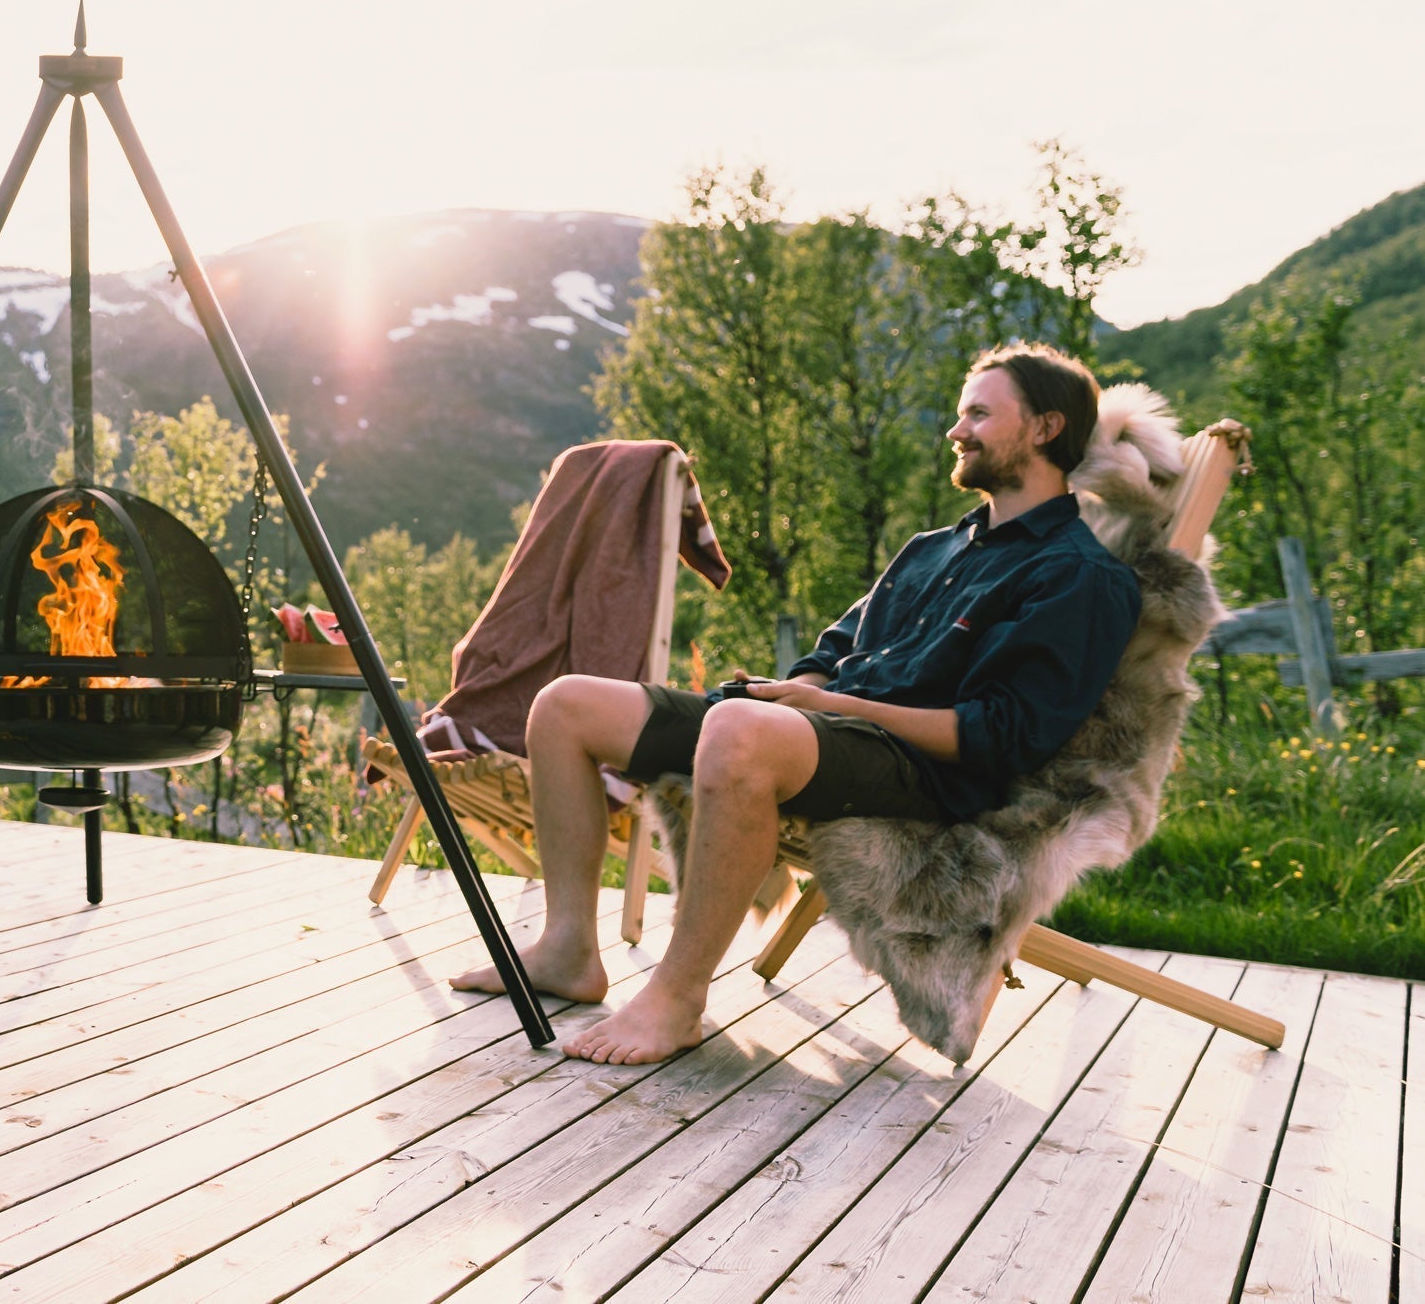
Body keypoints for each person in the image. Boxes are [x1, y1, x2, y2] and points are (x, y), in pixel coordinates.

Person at [452, 344, 1142, 1063]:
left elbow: (1003, 736)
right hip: (830, 731)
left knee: (742, 729)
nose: (956, 430)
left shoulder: (1078, 576)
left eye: (978, 413)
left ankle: (678, 998)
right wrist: (802, 692)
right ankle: (567, 948)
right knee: (565, 705)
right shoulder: (934, 549)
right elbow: (832, 652)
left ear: (1043, 428)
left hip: (924, 774)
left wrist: (831, 709)